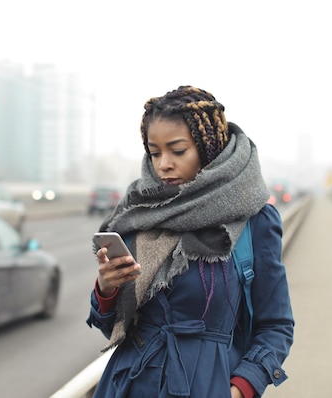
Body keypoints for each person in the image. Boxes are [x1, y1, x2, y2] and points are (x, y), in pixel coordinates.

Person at [86, 85, 294, 398]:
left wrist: (241, 388)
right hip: (127, 386)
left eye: (177, 151)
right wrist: (107, 289)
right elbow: (113, 328)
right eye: (155, 153)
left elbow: (276, 325)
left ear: (208, 148)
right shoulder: (139, 212)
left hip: (207, 386)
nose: (163, 164)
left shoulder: (253, 220)